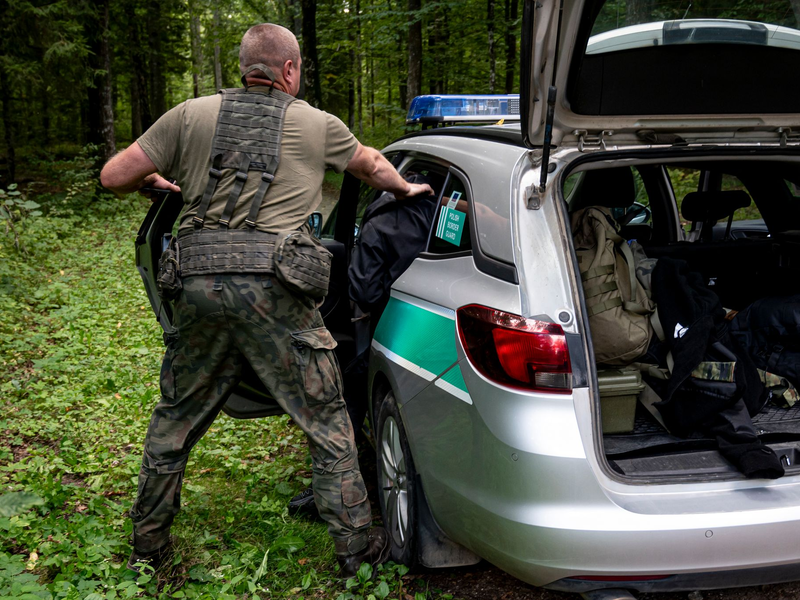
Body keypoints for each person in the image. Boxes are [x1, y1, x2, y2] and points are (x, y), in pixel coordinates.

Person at [99, 23, 432, 578]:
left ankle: (149, 549)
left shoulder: (188, 115)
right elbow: (373, 167)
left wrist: (157, 181)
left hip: (198, 289)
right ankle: (354, 551)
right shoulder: (318, 124)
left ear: (244, 66)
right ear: (290, 70)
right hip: (276, 292)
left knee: (174, 421)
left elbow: (113, 175)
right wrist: (406, 188)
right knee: (326, 419)